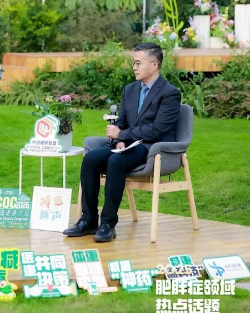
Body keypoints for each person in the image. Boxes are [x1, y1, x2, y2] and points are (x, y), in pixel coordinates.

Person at [64, 42, 181, 242]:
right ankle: (89, 220)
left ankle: (108, 224)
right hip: (127, 145)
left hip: (151, 148)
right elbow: (122, 122)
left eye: (138, 63)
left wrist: (124, 134)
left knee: (116, 162)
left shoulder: (169, 93)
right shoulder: (130, 89)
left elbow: (158, 129)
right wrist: (118, 139)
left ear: (154, 65)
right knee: (91, 159)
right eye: (133, 63)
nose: (134, 67)